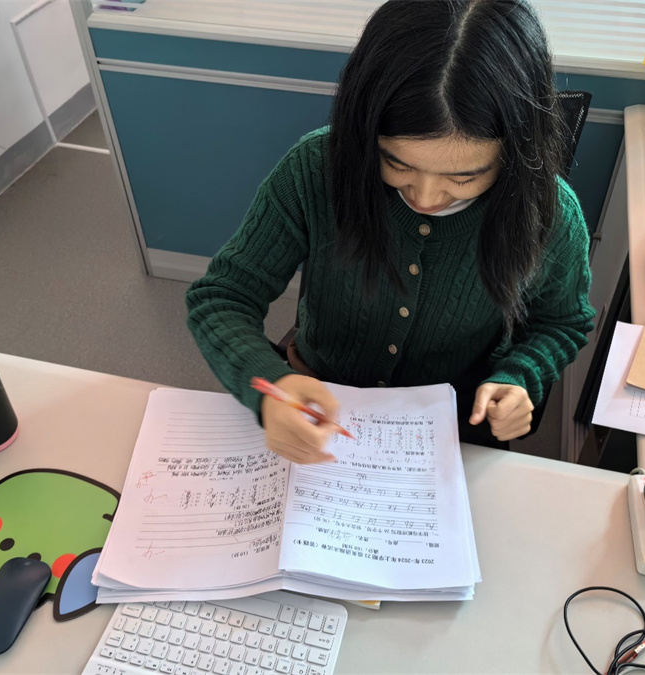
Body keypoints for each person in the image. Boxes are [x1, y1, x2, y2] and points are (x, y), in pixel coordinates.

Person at [186, 0, 595, 463]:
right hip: (318, 405)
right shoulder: (316, 169)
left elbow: (561, 322)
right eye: (397, 164)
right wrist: (270, 384)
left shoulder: (547, 210)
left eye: (463, 178)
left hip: (454, 428)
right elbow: (221, 298)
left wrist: (521, 376)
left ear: (515, 152)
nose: (426, 197)